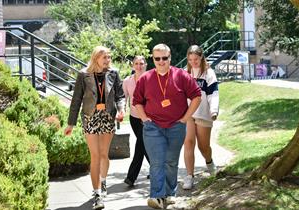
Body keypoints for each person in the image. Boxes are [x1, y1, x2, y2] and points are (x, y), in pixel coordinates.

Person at [133, 43, 201, 209]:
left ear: (170, 57)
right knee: (157, 162)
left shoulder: (182, 75)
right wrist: (144, 119)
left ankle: (170, 193)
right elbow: (137, 101)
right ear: (153, 59)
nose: (161, 61)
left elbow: (197, 96)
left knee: (171, 161)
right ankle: (156, 196)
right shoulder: (145, 78)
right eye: (157, 58)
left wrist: (185, 119)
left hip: (176, 126)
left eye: (165, 58)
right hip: (153, 127)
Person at [64, 46, 125, 210]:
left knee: (104, 154)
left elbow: (120, 95)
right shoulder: (84, 75)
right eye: (104, 57)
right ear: (96, 58)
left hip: (107, 117)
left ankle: (103, 182)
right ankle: (97, 194)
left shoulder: (113, 73)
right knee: (95, 155)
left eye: (109, 57)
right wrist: (71, 123)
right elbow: (76, 100)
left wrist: (121, 110)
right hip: (90, 117)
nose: (107, 60)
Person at [182, 45, 219, 190]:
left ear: (201, 57)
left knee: (203, 147)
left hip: (204, 113)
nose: (193, 62)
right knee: (188, 143)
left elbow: (213, 93)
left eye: (196, 59)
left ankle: (209, 162)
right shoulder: (185, 73)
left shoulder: (209, 73)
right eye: (190, 59)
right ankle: (189, 176)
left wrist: (214, 110)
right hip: (188, 114)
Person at [122, 56, 150, 187]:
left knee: (140, 145)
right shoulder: (127, 81)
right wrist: (120, 110)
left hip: (149, 118)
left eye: (141, 63)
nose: (139, 66)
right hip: (134, 118)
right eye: (136, 64)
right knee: (144, 145)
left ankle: (131, 177)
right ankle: (157, 168)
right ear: (133, 65)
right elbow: (123, 98)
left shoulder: (152, 78)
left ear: (146, 65)